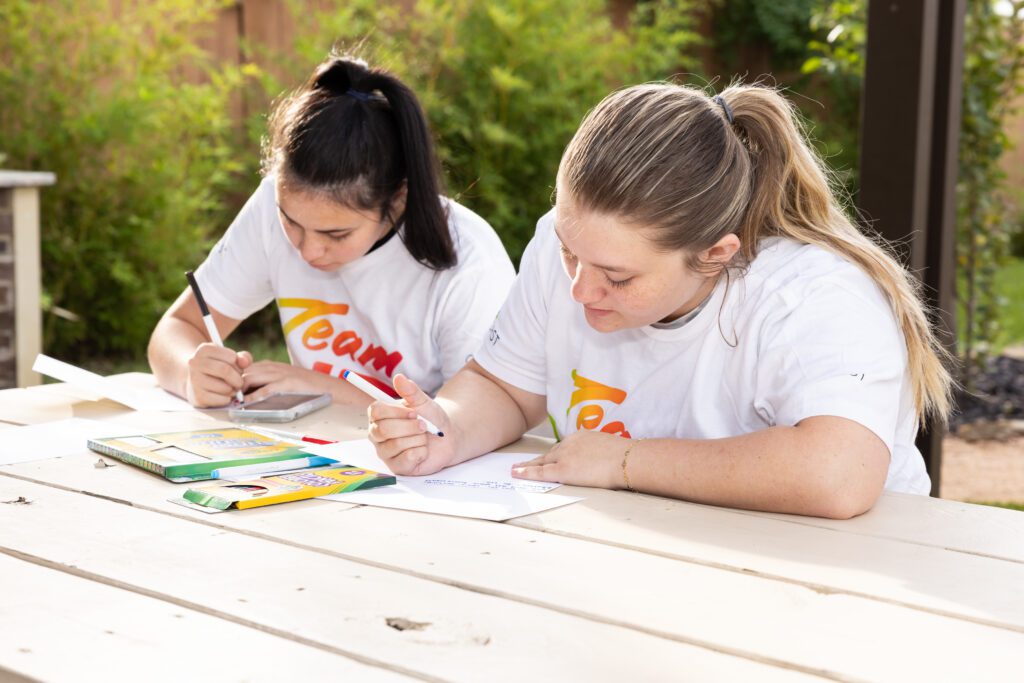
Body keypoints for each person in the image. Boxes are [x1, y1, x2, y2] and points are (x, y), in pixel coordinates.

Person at [366, 82, 955, 520]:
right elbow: (503, 385)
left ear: (716, 255)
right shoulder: (569, 241)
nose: (580, 289)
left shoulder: (813, 297)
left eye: (618, 279)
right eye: (570, 255)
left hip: (854, 577)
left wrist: (625, 463)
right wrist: (444, 430)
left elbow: (838, 475)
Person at [148, 56, 515, 408]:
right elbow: (177, 328)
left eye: (336, 235)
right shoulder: (269, 206)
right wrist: (189, 372)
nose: (307, 251)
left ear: (398, 198)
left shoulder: (469, 260)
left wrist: (323, 389)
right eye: (289, 222)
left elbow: (473, 416)